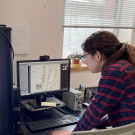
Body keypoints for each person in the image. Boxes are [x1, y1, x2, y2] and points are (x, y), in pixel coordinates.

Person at [51, 31, 135, 135]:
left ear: (98, 56)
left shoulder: (115, 71)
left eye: (85, 56)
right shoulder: (126, 65)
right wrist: (98, 122)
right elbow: (122, 109)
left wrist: (73, 134)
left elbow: (96, 109)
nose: (84, 61)